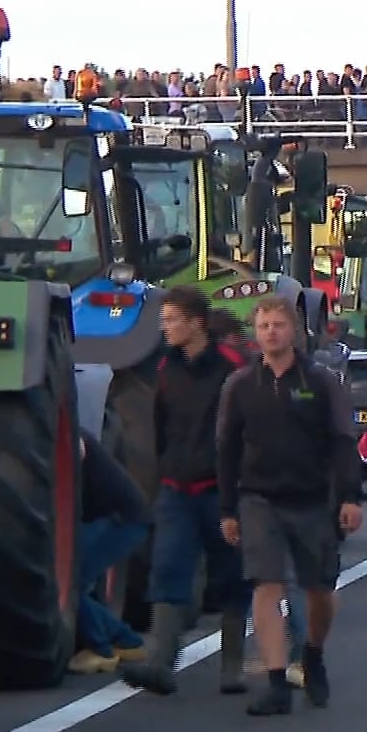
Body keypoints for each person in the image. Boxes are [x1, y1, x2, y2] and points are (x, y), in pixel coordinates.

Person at [217, 296, 367, 716]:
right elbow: (226, 449)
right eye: (263, 326)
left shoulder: (320, 382)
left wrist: (350, 497)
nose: (270, 333)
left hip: (312, 499)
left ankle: (313, 653)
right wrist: (228, 509)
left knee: (319, 591)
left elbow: (342, 442)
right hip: (259, 499)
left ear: (294, 330)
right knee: (266, 585)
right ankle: (276, 681)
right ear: (255, 332)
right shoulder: (241, 385)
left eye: (278, 325)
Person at [120, 286, 251, 697]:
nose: (166, 328)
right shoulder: (165, 368)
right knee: (168, 568)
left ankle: (232, 667)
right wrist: (165, 471)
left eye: (172, 320)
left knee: (231, 574)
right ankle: (161, 663)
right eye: (164, 321)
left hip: (222, 489)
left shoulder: (232, 366)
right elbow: (160, 424)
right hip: (177, 487)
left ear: (196, 322)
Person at [69, 432, 151, 675]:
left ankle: (100, 649)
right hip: (120, 516)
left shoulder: (74, 435)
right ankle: (126, 640)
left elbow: (78, 449)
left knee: (70, 581)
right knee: (74, 581)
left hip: (122, 519)